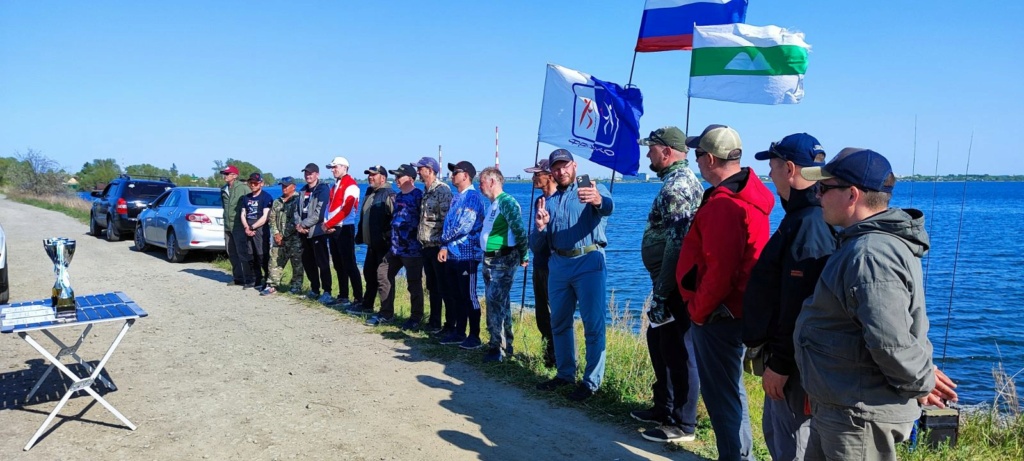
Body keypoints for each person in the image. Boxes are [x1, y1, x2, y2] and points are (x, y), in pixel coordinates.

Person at [795, 148, 938, 460]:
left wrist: (922, 383)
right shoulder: (862, 244)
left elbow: (891, 342)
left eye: (824, 188)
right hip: (843, 407)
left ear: (852, 195)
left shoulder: (871, 254)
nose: (818, 196)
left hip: (858, 416)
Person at [676, 124, 773, 461]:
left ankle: (735, 456)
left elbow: (720, 272)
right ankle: (738, 454)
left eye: (698, 154)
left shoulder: (724, 204)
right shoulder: (747, 193)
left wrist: (698, 312)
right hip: (734, 310)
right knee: (731, 392)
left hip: (719, 315)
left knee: (722, 396)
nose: (696, 161)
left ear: (712, 159)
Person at [742, 133, 837, 460]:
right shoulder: (805, 216)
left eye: (773, 167)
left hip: (795, 368)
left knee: (793, 445)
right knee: (783, 439)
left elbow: (801, 305)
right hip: (793, 360)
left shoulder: (809, 223)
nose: (770, 175)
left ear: (791, 169)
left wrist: (781, 363)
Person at [633, 126, 704, 443]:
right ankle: (664, 407)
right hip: (669, 280)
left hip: (673, 284)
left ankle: (682, 423)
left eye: (651, 148)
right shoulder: (680, 181)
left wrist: (662, 292)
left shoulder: (676, 187)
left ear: (666, 151)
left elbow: (677, 243)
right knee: (660, 343)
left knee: (678, 350)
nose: (647, 153)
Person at [532, 149, 613, 402]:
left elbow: (608, 208)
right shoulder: (550, 201)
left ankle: (591, 382)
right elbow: (536, 246)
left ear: (574, 166)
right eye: (556, 168)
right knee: (559, 322)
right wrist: (541, 227)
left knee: (593, 324)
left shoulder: (592, 190)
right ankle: (565, 373)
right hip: (559, 264)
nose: (561, 171)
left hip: (588, 261)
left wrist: (598, 200)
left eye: (564, 166)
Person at [477, 166, 529, 362]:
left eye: (481, 182)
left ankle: (496, 347)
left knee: (494, 301)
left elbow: (519, 230)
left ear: (492, 182)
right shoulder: (493, 205)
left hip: (503, 259)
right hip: (489, 259)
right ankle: (505, 345)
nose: (480, 186)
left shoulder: (507, 203)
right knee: (501, 302)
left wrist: (524, 255)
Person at [437, 161, 486, 350]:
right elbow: (450, 223)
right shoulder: (457, 197)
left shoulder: (472, 197)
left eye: (455, 172)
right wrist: (445, 245)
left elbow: (464, 225)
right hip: (453, 254)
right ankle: (459, 331)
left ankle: (474, 336)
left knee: (469, 295)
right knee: (456, 295)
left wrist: (443, 241)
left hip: (467, 255)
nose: (452, 176)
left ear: (465, 175)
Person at [367, 164, 424, 328]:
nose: (397, 179)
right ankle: (386, 313)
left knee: (413, 283)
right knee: (383, 273)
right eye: (396, 176)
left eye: (400, 176)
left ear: (411, 179)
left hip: (412, 249)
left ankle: (416, 317)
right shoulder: (397, 197)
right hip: (395, 247)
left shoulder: (418, 196)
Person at [347, 165, 395, 316]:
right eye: (369, 174)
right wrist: (360, 234)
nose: (370, 177)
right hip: (372, 244)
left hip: (383, 244)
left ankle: (385, 311)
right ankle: (367, 305)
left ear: (383, 177)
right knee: (369, 274)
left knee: (383, 278)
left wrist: (387, 239)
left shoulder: (389, 194)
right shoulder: (369, 192)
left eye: (374, 175)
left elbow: (396, 220)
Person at [523, 159, 557, 368]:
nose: (534, 178)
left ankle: (562, 360)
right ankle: (548, 358)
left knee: (556, 313)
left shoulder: (559, 199)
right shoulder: (539, 201)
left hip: (555, 265)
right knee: (542, 313)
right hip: (539, 263)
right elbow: (536, 235)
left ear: (549, 175)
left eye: (537, 174)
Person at [415, 156, 453, 334]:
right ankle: (434, 322)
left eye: (420, 168)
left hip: (438, 245)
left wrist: (445, 245)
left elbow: (447, 220)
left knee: (443, 286)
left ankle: (449, 324)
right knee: (432, 286)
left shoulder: (442, 191)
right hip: (426, 245)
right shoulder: (426, 190)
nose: (418, 172)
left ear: (430, 170)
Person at [322, 156, 363, 308]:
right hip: (334, 227)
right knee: (339, 264)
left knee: (349, 263)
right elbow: (330, 206)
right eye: (332, 168)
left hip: (345, 227)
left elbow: (347, 208)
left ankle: (359, 298)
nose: (333, 170)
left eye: (335, 167)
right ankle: (343, 295)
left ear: (344, 167)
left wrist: (329, 223)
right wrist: (326, 222)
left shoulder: (351, 185)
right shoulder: (335, 185)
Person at [295, 162, 334, 305]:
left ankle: (327, 291)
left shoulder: (322, 189)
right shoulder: (303, 190)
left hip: (317, 232)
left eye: (310, 173)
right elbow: (296, 210)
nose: (308, 175)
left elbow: (319, 213)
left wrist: (304, 225)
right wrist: (299, 225)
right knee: (308, 262)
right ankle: (314, 289)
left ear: (317, 174)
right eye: (306, 173)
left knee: (322, 262)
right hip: (303, 232)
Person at [265, 176, 304, 296]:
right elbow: (272, 219)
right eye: (282, 186)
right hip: (279, 238)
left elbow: (297, 219)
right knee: (275, 261)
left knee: (297, 264)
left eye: (286, 186)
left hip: (295, 238)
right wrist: (276, 233)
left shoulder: (298, 200)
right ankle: (272, 284)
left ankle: (296, 286)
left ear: (293, 186)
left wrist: (285, 235)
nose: (284, 188)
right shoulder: (277, 201)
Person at [240, 173, 273, 290]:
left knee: (262, 255)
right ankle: (255, 279)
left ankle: (267, 279)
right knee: (250, 254)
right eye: (251, 183)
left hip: (260, 229)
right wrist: (246, 227)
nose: (253, 185)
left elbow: (265, 216)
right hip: (248, 228)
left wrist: (253, 227)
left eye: (255, 183)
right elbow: (243, 214)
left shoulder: (266, 197)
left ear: (261, 184)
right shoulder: (246, 198)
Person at [220, 165, 250, 286]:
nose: (225, 176)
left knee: (242, 252)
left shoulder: (243, 188)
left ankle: (248, 278)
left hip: (239, 225)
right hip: (227, 225)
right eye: (224, 174)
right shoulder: (223, 189)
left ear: (235, 175)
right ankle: (238, 277)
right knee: (231, 252)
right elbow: (224, 206)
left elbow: (250, 205)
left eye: (227, 174)